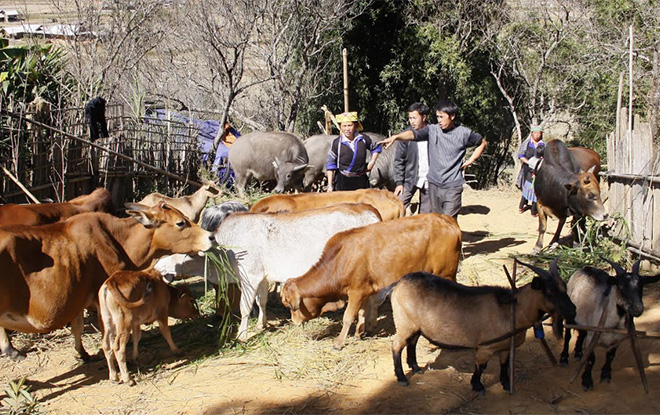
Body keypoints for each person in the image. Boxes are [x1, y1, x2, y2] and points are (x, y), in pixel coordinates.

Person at [378, 100, 487, 219]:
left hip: (452, 186)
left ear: (452, 116)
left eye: (441, 117)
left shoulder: (464, 133)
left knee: (447, 220)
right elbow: (413, 135)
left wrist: (471, 160)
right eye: (437, 117)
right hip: (432, 184)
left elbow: (482, 143)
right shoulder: (432, 130)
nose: (439, 120)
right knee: (435, 219)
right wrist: (396, 137)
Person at [326, 111, 381, 192]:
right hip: (343, 181)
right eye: (344, 126)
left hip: (361, 180)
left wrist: (372, 163)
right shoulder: (337, 143)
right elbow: (330, 164)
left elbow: (376, 148)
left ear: (355, 126)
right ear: (340, 127)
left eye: (350, 125)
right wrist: (330, 185)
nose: (347, 129)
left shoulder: (363, 139)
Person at [393, 102, 431, 214]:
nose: (412, 121)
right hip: (409, 179)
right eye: (410, 118)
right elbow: (399, 160)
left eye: (415, 118)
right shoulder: (405, 135)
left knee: (425, 213)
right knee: (397, 206)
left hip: (429, 179)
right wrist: (399, 183)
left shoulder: (433, 133)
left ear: (424, 117)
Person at [516, 125, 545, 216]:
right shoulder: (527, 143)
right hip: (526, 169)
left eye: (539, 133)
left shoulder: (544, 145)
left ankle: (534, 210)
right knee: (526, 187)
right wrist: (530, 163)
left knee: (536, 190)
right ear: (531, 133)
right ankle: (522, 205)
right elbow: (521, 155)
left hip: (539, 170)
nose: (537, 135)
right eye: (535, 133)